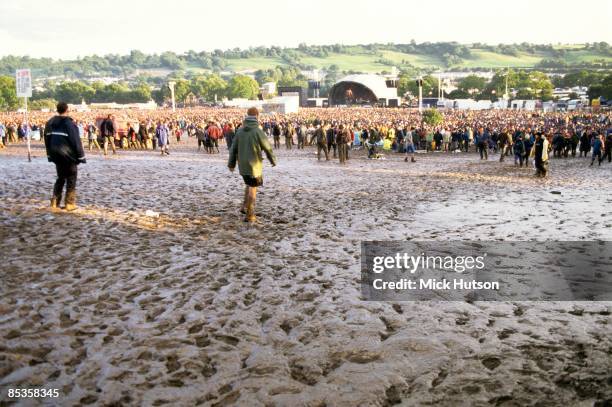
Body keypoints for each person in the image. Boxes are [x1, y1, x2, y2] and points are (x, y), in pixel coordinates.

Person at [228, 107, 277, 223]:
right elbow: (267, 147)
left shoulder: (240, 130)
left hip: (243, 164)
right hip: (254, 164)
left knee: (248, 183)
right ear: (257, 116)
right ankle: (250, 214)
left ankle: (244, 207)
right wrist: (272, 160)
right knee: (253, 188)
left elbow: (233, 148)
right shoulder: (257, 131)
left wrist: (231, 164)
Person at [43, 102, 86, 211]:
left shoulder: (50, 122)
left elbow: (46, 139)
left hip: (55, 154)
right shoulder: (69, 123)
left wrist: (49, 154)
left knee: (60, 177)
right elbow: (75, 141)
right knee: (71, 177)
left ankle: (55, 202)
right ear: (67, 109)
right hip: (68, 155)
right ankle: (69, 203)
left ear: (57, 110)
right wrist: (81, 156)